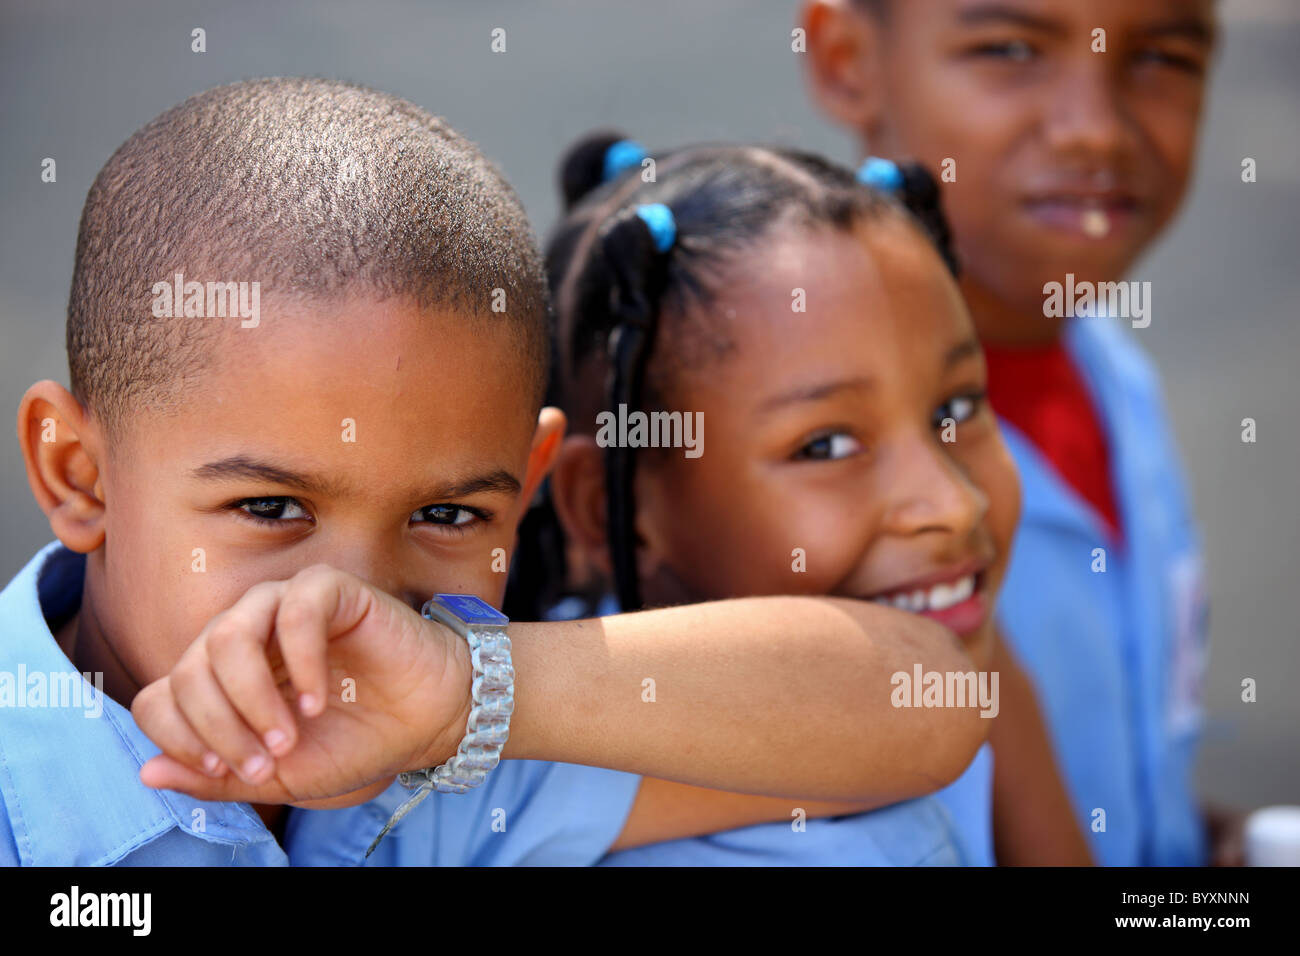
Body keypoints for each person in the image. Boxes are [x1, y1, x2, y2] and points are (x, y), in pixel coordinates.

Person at [1, 77, 984, 866]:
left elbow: (929, 698)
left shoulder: (452, 726)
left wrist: (469, 692)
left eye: (447, 512)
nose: (354, 606)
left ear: (533, 478)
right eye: (270, 505)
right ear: (77, 473)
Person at [529, 135, 1086, 865]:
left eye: (957, 408)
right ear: (614, 512)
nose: (953, 505)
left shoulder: (948, 637)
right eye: (825, 446)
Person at [801, 0, 1217, 864]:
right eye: (1011, 49)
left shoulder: (1110, 368)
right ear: (847, 61)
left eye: (1164, 58)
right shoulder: (795, 475)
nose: (1095, 132)